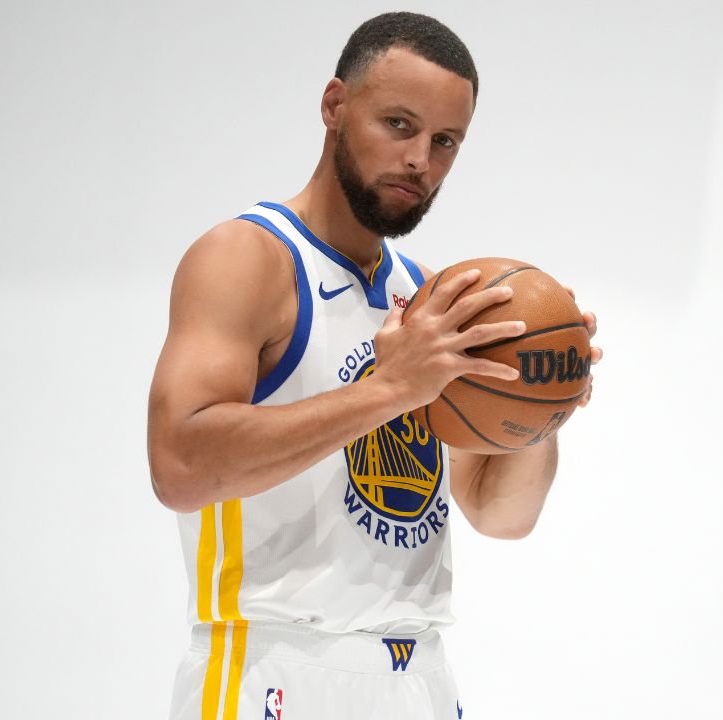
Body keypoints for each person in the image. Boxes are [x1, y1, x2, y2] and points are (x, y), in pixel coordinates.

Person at [146, 12, 599, 720]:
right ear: (335, 105)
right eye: (399, 124)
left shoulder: (427, 294)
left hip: (418, 677)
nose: (421, 159)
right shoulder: (247, 258)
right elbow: (179, 467)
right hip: (273, 670)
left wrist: (541, 402)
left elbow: (501, 515)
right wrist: (390, 390)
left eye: (445, 141)